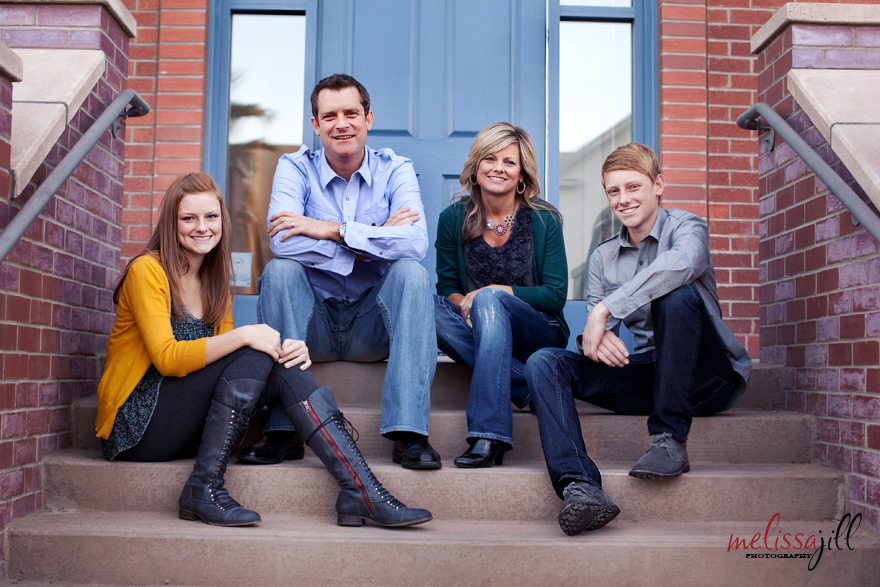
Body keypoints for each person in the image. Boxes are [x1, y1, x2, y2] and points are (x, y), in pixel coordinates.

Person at [94, 173, 432, 529]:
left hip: (188, 424)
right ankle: (202, 487)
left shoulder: (213, 279)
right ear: (171, 223)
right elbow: (168, 358)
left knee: (281, 359)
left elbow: (227, 365)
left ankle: (361, 490)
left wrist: (285, 349)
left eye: (211, 217)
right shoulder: (148, 270)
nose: (202, 227)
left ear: (222, 221)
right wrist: (248, 336)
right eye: (188, 218)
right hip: (139, 426)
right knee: (254, 350)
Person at [525, 143, 752, 536]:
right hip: (652, 374)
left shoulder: (688, 228)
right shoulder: (603, 258)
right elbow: (596, 333)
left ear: (658, 185)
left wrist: (605, 309)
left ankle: (669, 439)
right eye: (613, 191)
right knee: (544, 361)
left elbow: (682, 265)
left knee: (675, 293)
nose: (623, 199)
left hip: (709, 378)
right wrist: (595, 340)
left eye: (633, 187)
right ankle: (580, 486)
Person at [241, 74, 440, 470]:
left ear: (368, 119)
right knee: (280, 272)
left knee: (412, 275)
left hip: (372, 325)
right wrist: (374, 241)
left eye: (351, 113)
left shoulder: (396, 169)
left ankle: (409, 431)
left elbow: (415, 244)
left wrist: (331, 230)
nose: (341, 124)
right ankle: (284, 427)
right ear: (315, 125)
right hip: (310, 323)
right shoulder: (294, 168)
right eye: (329, 116)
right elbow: (282, 242)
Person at [434, 122, 569, 468]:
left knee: (490, 300)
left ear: (521, 174)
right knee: (424, 305)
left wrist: (495, 293)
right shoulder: (452, 219)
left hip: (536, 330)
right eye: (490, 159)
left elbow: (555, 295)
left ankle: (489, 433)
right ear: (476, 166)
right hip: (477, 327)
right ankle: (528, 383)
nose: (498, 168)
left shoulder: (545, 219)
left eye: (509, 162)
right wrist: (465, 305)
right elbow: (447, 287)